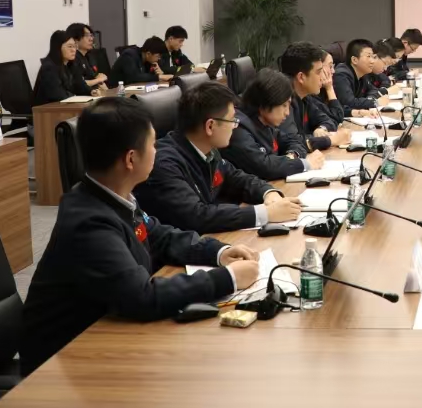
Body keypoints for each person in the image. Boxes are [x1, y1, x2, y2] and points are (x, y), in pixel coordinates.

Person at [20, 98, 259, 376]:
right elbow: (142, 297)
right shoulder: (89, 223)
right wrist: (226, 279)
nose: (157, 151)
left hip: (106, 335)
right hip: (61, 366)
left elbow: (159, 236)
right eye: (153, 144)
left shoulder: (112, 195)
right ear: (131, 159)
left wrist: (217, 252)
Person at [134, 82, 302, 234]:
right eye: (232, 120)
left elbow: (236, 177)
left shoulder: (207, 149)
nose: (235, 126)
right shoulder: (165, 163)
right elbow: (196, 216)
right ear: (210, 126)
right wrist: (265, 214)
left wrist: (268, 193)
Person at [222, 68, 325, 181]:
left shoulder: (265, 123)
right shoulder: (237, 128)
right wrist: (305, 164)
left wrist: (292, 155)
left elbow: (294, 141)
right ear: (265, 103)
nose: (287, 113)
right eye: (284, 106)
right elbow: (264, 167)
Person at [281, 42, 353, 154]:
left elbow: (328, 120)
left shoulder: (305, 97)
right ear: (301, 77)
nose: (322, 77)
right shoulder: (283, 101)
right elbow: (291, 142)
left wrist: (322, 129)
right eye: (319, 72)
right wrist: (331, 140)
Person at [34, 30, 99, 105]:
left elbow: (79, 83)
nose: (73, 50)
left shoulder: (70, 64)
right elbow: (57, 94)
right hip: (47, 109)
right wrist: (75, 96)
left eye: (74, 46)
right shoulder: (49, 67)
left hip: (64, 107)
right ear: (58, 48)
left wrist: (91, 91)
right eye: (70, 46)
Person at [334, 38, 383, 111]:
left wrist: (370, 99)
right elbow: (349, 103)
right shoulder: (341, 75)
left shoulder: (362, 73)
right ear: (354, 60)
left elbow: (373, 90)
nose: (372, 61)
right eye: (368, 56)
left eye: (373, 57)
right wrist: (375, 102)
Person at [66, 22, 108, 89]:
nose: (91, 39)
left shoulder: (89, 56)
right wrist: (98, 80)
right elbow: (77, 84)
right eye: (87, 36)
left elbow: (95, 76)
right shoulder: (72, 58)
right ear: (75, 39)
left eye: (91, 35)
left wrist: (99, 80)